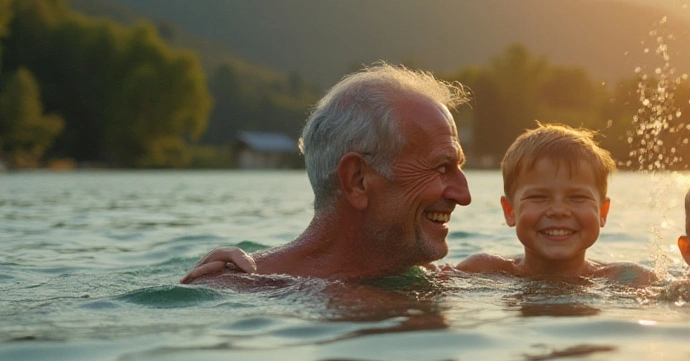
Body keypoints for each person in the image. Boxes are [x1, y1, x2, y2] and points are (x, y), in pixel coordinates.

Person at [180, 63, 471, 284]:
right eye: (441, 167)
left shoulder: (442, 279)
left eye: (459, 167)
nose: (464, 195)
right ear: (357, 180)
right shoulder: (244, 290)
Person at [454, 123, 654, 284]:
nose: (558, 211)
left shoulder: (629, 278)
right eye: (538, 197)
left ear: (603, 212)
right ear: (510, 211)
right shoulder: (482, 271)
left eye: (577, 197)